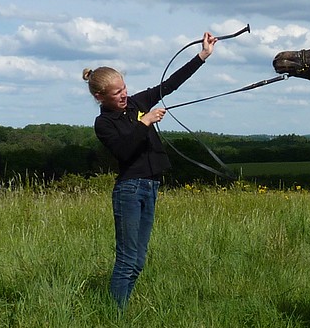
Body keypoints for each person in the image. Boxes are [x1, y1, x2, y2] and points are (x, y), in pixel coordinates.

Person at [84, 32, 217, 309]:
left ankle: (120, 309)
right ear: (100, 97)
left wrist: (202, 56)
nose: (124, 95)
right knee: (126, 259)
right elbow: (123, 150)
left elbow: (169, 85)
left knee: (139, 260)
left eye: (124, 88)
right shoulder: (103, 124)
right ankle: (114, 316)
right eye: (117, 93)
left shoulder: (136, 104)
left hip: (151, 186)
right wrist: (144, 124)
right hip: (129, 191)